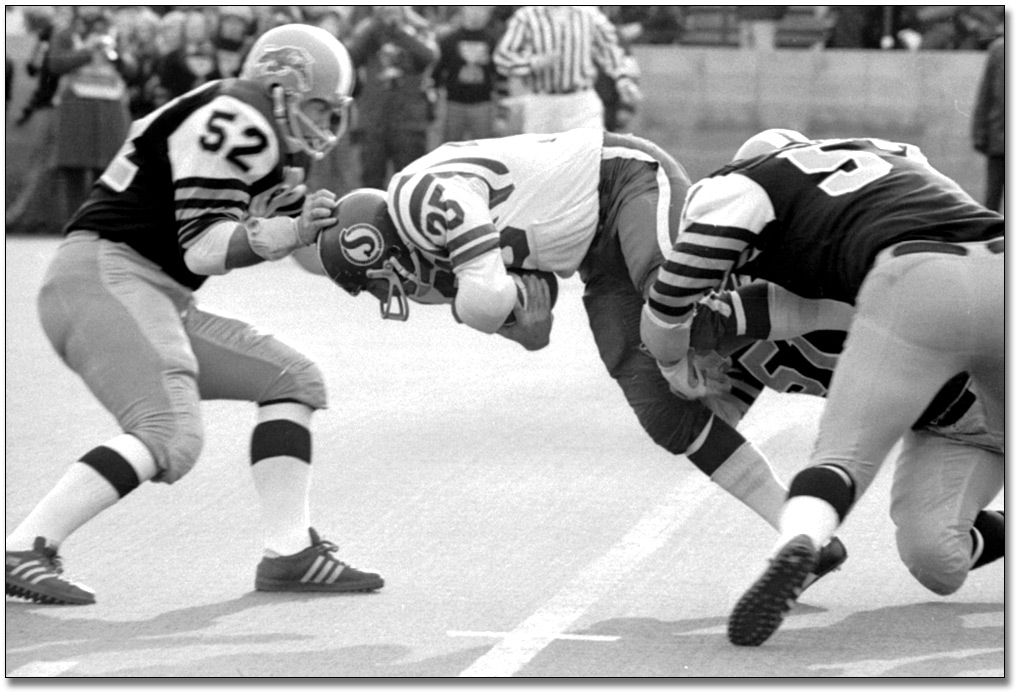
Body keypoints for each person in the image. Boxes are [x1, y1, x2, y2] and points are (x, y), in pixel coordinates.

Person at [309, 128, 850, 590]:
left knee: (671, 297)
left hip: (624, 181)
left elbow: (490, 301)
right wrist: (526, 329)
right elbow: (531, 321)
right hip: (596, 257)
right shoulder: (445, 262)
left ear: (376, 245)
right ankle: (801, 534)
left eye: (383, 283)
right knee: (662, 411)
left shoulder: (413, 195)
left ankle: (851, 306)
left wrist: (499, 311)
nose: (393, 295)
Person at [5, 24, 383, 606]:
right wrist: (287, 230)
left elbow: (301, 252)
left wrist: (370, 256)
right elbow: (204, 247)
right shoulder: (236, 116)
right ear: (280, 84)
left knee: (293, 379)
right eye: (316, 105)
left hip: (150, 291)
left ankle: (290, 552)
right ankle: (24, 546)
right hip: (105, 277)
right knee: (169, 433)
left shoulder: (269, 137)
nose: (324, 122)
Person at [639, 128, 1004, 646]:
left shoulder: (842, 255)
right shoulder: (752, 294)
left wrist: (706, 330)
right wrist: (692, 390)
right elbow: (718, 417)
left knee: (845, 454)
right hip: (949, 429)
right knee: (935, 561)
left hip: (981, 371)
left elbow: (829, 304)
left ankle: (803, 535)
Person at [493, 6, 641, 134]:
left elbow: (612, 51)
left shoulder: (589, 14)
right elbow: (502, 57)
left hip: (581, 101)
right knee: (542, 159)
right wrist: (532, 63)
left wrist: (624, 81)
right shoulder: (526, 17)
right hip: (542, 101)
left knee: (590, 155)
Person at [346, 6, 439, 189]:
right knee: (371, 180)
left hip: (409, 121)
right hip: (375, 120)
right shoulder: (368, 30)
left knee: (411, 182)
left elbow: (428, 57)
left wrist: (399, 33)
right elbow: (350, 58)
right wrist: (376, 28)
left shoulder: (419, 29)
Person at [432, 6, 501, 144]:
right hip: (454, 104)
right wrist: (434, 99)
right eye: (471, 7)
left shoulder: (493, 41)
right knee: (451, 149)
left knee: (483, 149)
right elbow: (437, 72)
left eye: (481, 8)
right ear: (462, 10)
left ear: (487, 13)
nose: (475, 12)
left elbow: (500, 74)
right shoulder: (449, 40)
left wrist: (501, 112)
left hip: (483, 104)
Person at [971, 34, 1005, 213]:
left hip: (998, 135)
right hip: (999, 136)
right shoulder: (999, 49)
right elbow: (986, 93)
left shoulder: (999, 48)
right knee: (993, 196)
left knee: (993, 196)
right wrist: (979, 132)